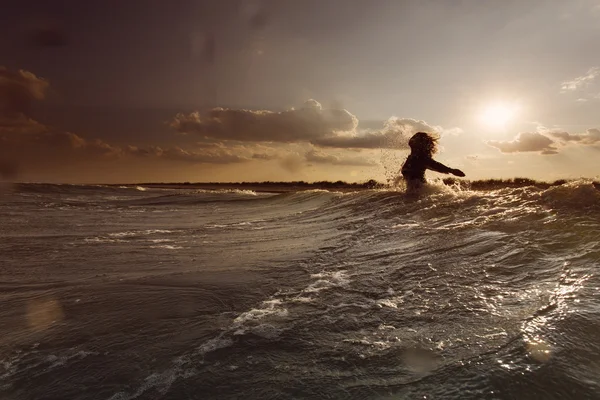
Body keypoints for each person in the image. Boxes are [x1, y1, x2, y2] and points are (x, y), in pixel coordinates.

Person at [398, 132, 465, 191]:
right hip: (414, 191)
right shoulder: (412, 156)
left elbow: (436, 165)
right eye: (413, 138)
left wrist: (451, 170)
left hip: (420, 191)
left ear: (421, 144)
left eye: (415, 139)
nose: (412, 140)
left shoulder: (421, 158)